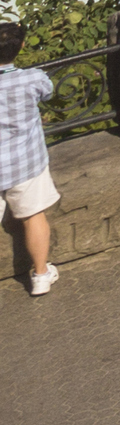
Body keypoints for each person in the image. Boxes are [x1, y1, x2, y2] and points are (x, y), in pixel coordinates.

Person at [0, 23, 56, 297]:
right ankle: (41, 276)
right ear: (21, 47)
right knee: (33, 216)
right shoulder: (33, 78)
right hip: (25, 164)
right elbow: (49, 91)